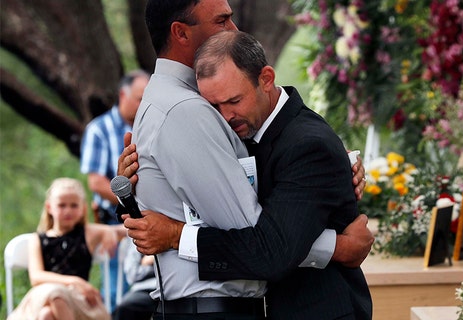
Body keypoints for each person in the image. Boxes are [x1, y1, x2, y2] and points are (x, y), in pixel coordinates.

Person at [119, 1, 371, 319]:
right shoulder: (187, 109)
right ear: (181, 32)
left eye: (233, 101)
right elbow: (262, 241)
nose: (234, 30)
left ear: (265, 80)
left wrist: (334, 173)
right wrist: (337, 247)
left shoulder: (183, 100)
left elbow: (263, 230)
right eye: (222, 21)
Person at [80, 69, 150, 309]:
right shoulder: (99, 130)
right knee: (115, 292)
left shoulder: (152, 128)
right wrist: (132, 205)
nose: (145, 104)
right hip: (115, 223)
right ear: (123, 95)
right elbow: (96, 182)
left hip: (153, 222)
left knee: (148, 295)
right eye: (140, 98)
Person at [8, 177, 125, 320]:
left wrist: (109, 231)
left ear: (82, 209)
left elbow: (127, 229)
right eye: (62, 205)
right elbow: (36, 277)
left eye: (74, 205)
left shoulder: (88, 233)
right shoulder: (37, 239)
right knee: (53, 298)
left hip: (77, 301)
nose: (68, 210)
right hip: (45, 295)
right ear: (49, 207)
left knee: (48, 313)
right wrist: (75, 281)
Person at [112, 239, 157, 320]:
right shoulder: (136, 236)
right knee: (126, 307)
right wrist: (154, 261)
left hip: (175, 288)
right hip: (146, 288)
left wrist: (151, 261)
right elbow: (132, 275)